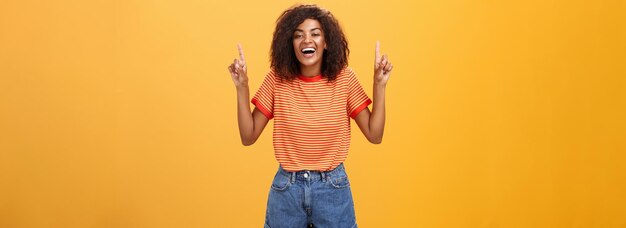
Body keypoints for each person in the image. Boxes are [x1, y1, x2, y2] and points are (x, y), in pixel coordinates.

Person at [227, 4, 393, 228]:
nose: (307, 40)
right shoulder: (277, 79)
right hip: (287, 190)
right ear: (290, 44)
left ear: (326, 43)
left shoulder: (344, 79)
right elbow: (248, 136)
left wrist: (379, 85)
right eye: (298, 35)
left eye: (315, 34)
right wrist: (242, 87)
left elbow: (375, 134)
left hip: (332, 188)